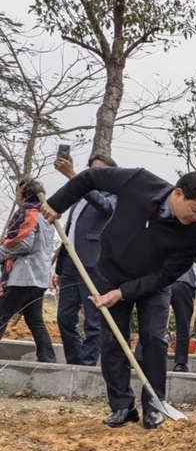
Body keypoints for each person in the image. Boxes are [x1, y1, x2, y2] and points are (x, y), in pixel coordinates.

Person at [42, 167, 196, 429]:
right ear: (179, 193)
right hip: (111, 273)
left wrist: (123, 293)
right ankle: (122, 406)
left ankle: (154, 405)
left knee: (154, 338)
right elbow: (91, 177)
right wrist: (57, 203)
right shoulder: (139, 181)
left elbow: (166, 275)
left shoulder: (195, 235)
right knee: (113, 339)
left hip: (153, 285)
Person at [51, 153, 117, 366]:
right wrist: (57, 266)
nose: (92, 174)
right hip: (69, 262)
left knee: (93, 320)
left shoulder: (114, 194)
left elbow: (105, 207)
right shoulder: (80, 197)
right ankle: (75, 362)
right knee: (64, 317)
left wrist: (74, 176)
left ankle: (87, 366)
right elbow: (70, 232)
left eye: (97, 171)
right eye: (90, 170)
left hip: (92, 263)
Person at [0, 178, 55, 362]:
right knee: (35, 320)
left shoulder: (28, 213)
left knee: (2, 313)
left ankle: (47, 358)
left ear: (23, 194)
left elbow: (24, 243)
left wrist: (2, 252)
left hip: (24, 275)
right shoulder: (46, 216)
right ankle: (47, 359)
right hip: (39, 276)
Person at [170, 253, 196, 372]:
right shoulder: (189, 236)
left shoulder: (159, 234)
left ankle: (141, 357)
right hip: (182, 282)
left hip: (161, 281)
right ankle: (180, 362)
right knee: (183, 324)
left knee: (151, 319)